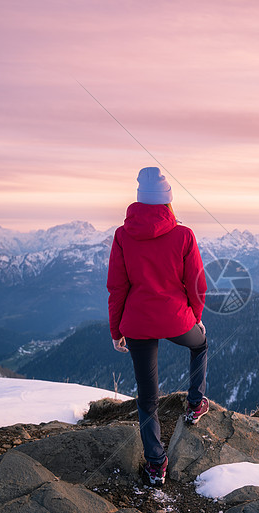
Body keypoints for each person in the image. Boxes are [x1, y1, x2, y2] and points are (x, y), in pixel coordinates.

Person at [107, 166, 209, 487]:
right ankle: (195, 404)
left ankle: (155, 464)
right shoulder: (183, 235)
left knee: (147, 397)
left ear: (139, 201)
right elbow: (197, 284)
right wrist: (196, 316)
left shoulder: (123, 236)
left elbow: (117, 287)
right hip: (176, 318)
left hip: (137, 322)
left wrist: (116, 330)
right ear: (167, 202)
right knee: (200, 344)